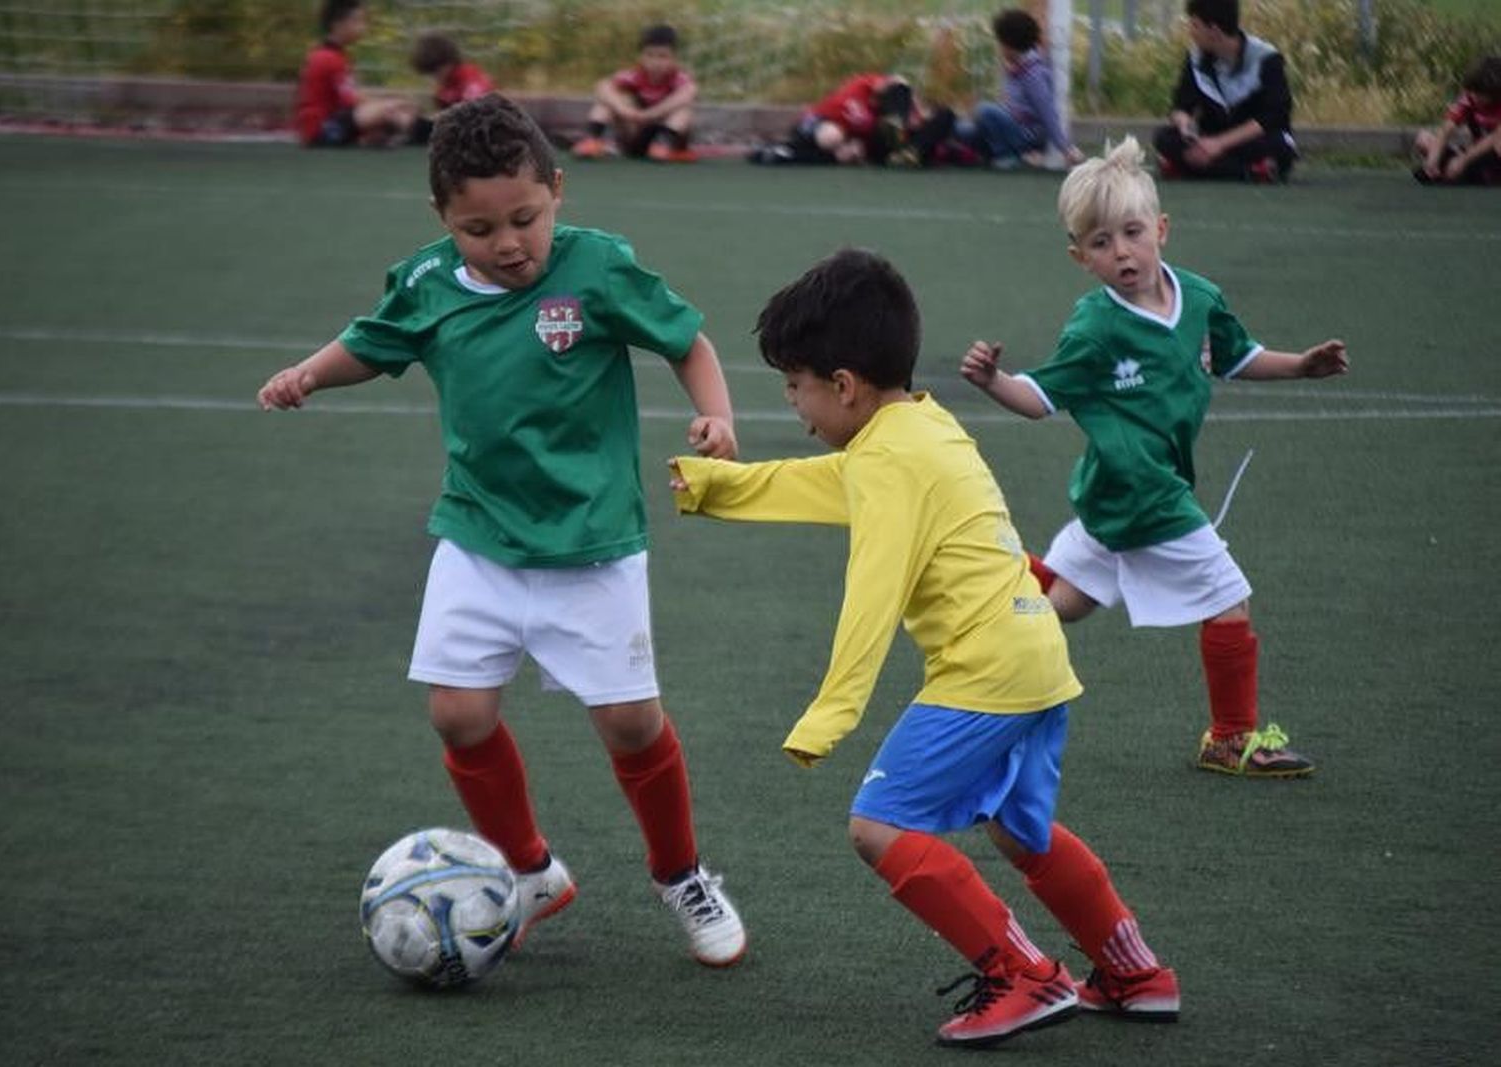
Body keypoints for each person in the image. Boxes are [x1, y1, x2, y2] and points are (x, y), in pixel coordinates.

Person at [257, 94, 747, 967]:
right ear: (443, 219)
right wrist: (308, 374)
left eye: (526, 218)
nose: (510, 242)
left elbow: (691, 342)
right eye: (480, 228)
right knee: (457, 712)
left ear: (557, 190)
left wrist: (715, 417)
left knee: (632, 725)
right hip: (478, 536)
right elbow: (372, 344)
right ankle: (530, 871)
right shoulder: (426, 282)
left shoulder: (597, 269)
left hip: (592, 542)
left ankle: (681, 873)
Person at [670, 248, 1178, 1048]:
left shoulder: (887, 462)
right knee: (1024, 832)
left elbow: (871, 592)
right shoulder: (919, 426)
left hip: (985, 670)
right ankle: (1136, 972)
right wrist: (717, 486)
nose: (792, 405)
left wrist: (830, 712)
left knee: (878, 825)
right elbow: (825, 483)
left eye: (795, 385)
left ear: (843, 385)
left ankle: (1025, 974)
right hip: (1036, 656)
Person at [960, 137, 1349, 778]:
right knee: (1229, 596)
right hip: (1145, 493)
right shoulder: (1094, 327)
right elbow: (1040, 397)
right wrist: (993, 382)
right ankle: (1231, 738)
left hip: (1118, 489)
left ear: (1161, 230)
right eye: (1101, 243)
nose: (1122, 253)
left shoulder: (1197, 298)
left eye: (1132, 233)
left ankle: (981, 595)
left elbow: (1238, 355)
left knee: (1066, 602)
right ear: (1079, 257)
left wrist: (1301, 366)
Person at [1151, 0, 1296, 182]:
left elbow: (1274, 116)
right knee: (1165, 138)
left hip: (1247, 140)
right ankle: (1252, 171)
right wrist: (1184, 124)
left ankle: (1190, 168)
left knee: (1281, 147)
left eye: (1195, 25)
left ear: (1214, 31)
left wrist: (1219, 144)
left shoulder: (1266, 59)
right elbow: (1180, 106)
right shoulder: (1196, 59)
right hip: (1209, 138)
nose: (1191, 32)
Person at [954, 9, 1085, 171]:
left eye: (1001, 43)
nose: (999, 48)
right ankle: (995, 151)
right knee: (961, 130)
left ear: (1009, 46)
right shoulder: (1016, 65)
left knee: (985, 109)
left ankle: (1008, 154)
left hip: (1027, 134)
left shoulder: (1033, 75)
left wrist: (1065, 148)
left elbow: (1048, 113)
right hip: (1011, 126)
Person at [748, 73, 955, 167]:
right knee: (832, 139)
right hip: (832, 131)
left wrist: (916, 116)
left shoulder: (902, 101)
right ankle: (781, 153)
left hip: (892, 141)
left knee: (947, 115)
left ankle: (910, 153)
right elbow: (894, 83)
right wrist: (852, 148)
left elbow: (902, 90)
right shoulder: (862, 87)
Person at [294, 0, 418, 148]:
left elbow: (352, 99)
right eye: (356, 21)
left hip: (326, 125)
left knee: (388, 110)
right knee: (390, 110)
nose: (362, 27)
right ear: (338, 24)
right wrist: (392, 105)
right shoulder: (329, 58)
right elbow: (351, 102)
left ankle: (384, 135)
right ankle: (420, 132)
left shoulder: (332, 55)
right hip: (321, 130)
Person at [572, 23, 699, 162]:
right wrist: (625, 110)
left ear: (674, 58)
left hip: (666, 133)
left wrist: (651, 114)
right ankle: (592, 139)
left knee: (684, 111)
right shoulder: (633, 76)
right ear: (641, 57)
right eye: (650, 55)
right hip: (634, 133)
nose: (655, 62)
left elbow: (689, 92)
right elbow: (603, 86)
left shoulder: (679, 79)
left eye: (663, 56)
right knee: (607, 101)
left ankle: (664, 145)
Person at [1413, 55, 1501, 186]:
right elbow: (1446, 129)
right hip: (1476, 157)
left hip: (1493, 156)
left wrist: (1463, 160)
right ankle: (1443, 171)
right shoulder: (1469, 97)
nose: (1474, 97)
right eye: (1472, 91)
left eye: (1480, 94)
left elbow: (1495, 137)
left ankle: (1474, 175)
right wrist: (1433, 157)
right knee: (1423, 139)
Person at [407, 32, 496, 146]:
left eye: (436, 71)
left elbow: (478, 110)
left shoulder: (470, 78)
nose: (435, 77)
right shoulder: (445, 86)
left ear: (448, 62)